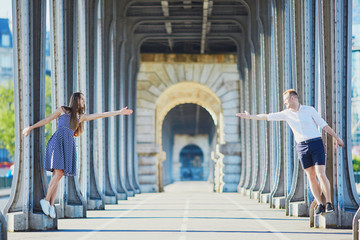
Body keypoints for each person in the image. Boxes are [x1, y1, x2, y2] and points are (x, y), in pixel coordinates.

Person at [22, 92, 133, 219]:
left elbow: (100, 115)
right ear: (76, 100)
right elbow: (47, 119)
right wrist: (30, 128)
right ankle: (46, 201)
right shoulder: (62, 110)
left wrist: (119, 112)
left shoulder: (80, 116)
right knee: (59, 173)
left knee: (57, 175)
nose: (84, 102)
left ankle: (51, 205)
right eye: (82, 99)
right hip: (58, 141)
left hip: (68, 144)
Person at [236, 89, 344, 215]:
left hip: (316, 143)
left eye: (286, 100)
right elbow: (267, 116)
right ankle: (320, 203)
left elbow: (323, 125)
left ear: (293, 98)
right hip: (301, 146)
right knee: (311, 176)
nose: (285, 103)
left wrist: (336, 137)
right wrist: (250, 116)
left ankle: (329, 203)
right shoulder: (286, 114)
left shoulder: (309, 110)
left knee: (320, 173)